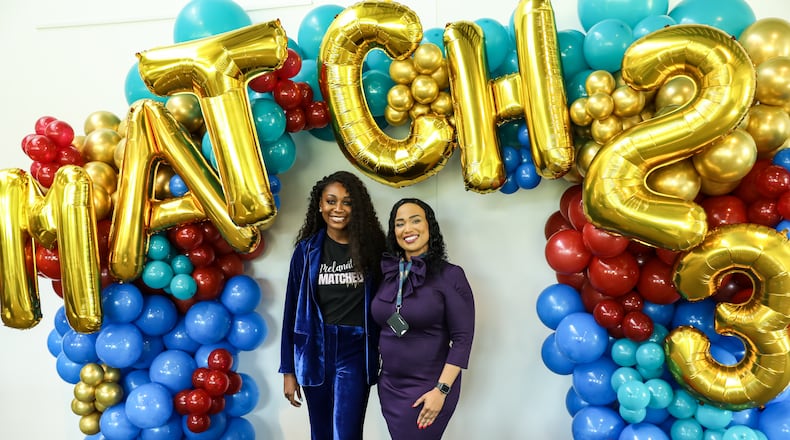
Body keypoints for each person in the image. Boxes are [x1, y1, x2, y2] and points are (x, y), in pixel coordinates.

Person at [279, 170, 386, 440]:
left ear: (357, 207)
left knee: (347, 433)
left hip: (356, 350)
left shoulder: (373, 250)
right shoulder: (306, 251)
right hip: (315, 350)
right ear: (320, 204)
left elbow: (389, 301)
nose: (338, 208)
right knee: (321, 433)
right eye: (331, 201)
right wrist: (288, 370)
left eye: (347, 202)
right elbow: (291, 310)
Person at [371, 198, 476, 439]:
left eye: (415, 220)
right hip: (389, 387)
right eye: (399, 223)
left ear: (430, 226)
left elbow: (462, 340)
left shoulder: (451, 276)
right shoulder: (387, 274)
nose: (407, 229)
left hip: (429, 388)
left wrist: (441, 391)